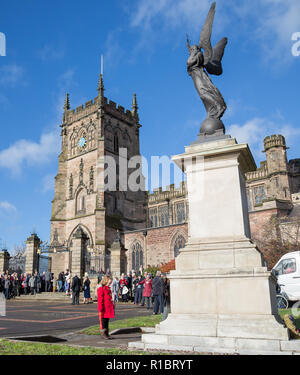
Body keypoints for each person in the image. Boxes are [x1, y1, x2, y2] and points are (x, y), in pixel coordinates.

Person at [97, 275, 115, 339]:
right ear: (106, 281)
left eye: (110, 283)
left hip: (108, 307)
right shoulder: (101, 289)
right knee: (103, 321)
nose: (110, 284)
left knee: (107, 320)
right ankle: (103, 333)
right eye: (109, 282)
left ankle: (106, 333)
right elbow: (100, 299)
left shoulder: (108, 289)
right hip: (103, 308)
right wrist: (100, 308)